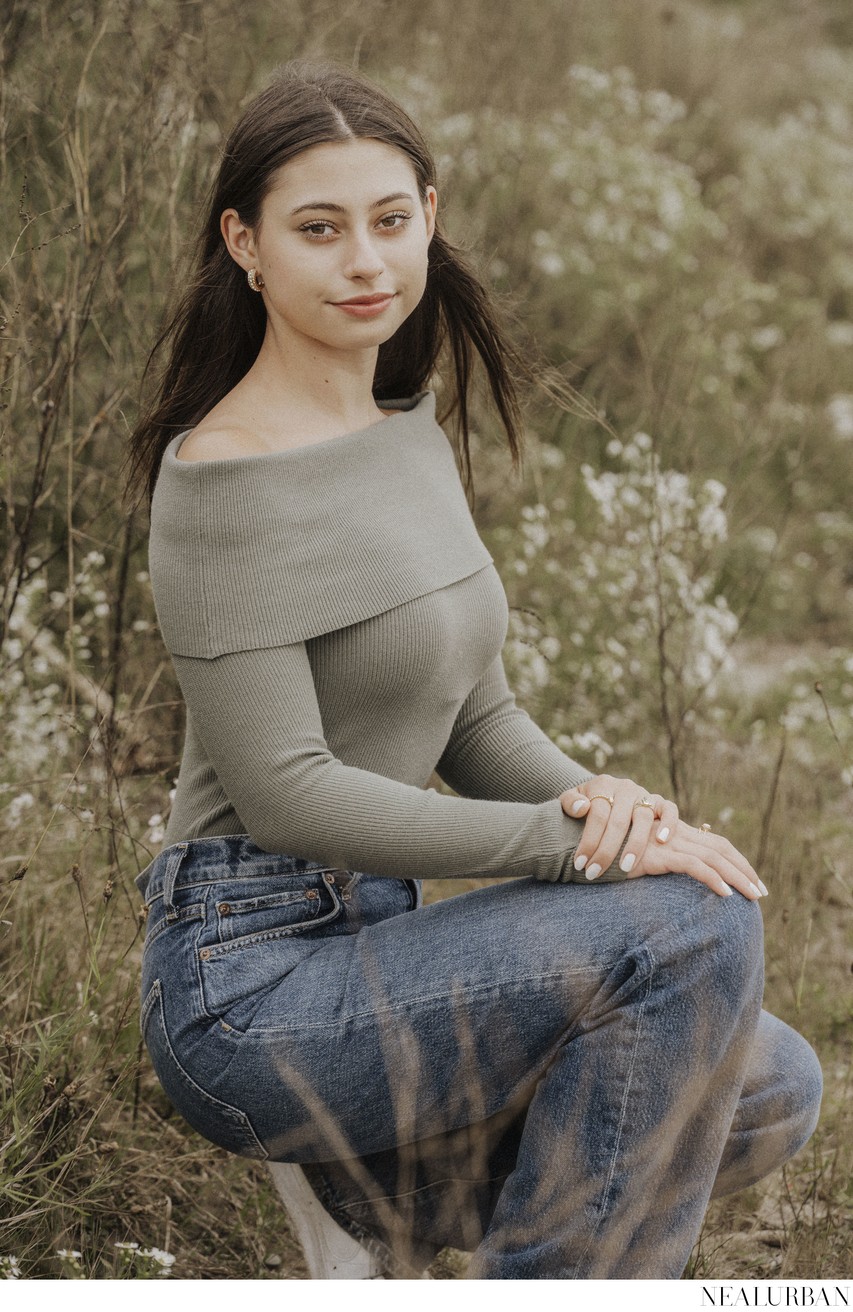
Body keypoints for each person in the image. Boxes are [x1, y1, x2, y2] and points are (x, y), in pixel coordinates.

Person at [122, 60, 822, 1280]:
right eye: (319, 230)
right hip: (251, 981)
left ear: (430, 217)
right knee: (684, 943)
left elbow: (475, 715)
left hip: (378, 949)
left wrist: (612, 808)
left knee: (769, 1081)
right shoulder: (219, 478)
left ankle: (489, 1255)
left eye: (391, 222)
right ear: (244, 243)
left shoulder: (405, 426)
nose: (365, 263)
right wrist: (572, 848)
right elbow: (287, 792)